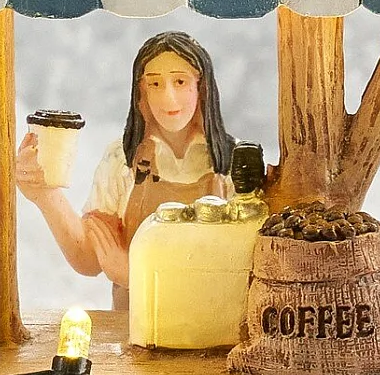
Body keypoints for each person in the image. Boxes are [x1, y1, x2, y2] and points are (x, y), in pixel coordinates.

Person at [13, 31, 241, 302]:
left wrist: (136, 276)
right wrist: (45, 195)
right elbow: (89, 258)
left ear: (201, 87)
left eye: (180, 82)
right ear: (141, 92)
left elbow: (237, 267)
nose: (168, 97)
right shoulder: (122, 160)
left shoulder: (234, 163)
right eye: (155, 84)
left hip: (212, 318)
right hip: (131, 320)